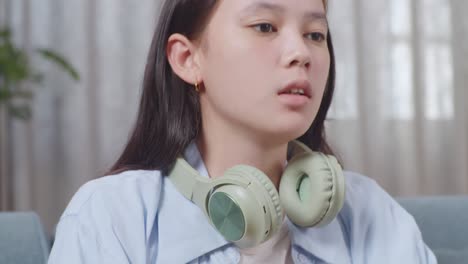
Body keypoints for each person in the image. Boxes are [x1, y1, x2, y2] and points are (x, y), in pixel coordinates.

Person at [48, 0, 437, 263]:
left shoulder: (374, 214)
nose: (300, 52)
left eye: (315, 34)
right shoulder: (111, 216)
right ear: (187, 59)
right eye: (265, 26)